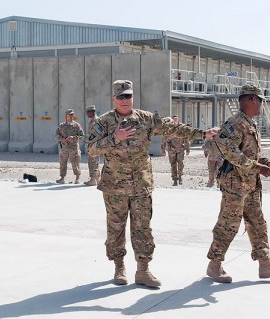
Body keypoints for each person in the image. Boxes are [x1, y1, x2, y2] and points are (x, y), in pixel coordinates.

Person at [87, 80, 217, 288]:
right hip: (115, 186)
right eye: (121, 97)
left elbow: (173, 128)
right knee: (116, 228)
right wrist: (115, 138)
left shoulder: (146, 119)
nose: (125, 100)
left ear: (133, 97)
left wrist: (202, 134)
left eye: (128, 96)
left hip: (141, 184)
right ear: (113, 99)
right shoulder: (103, 122)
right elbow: (91, 148)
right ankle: (119, 267)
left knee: (143, 228)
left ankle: (143, 270)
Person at [206, 84, 270, 283]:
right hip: (235, 184)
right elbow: (229, 151)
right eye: (261, 101)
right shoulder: (235, 123)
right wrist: (257, 167)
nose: (261, 105)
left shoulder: (249, 123)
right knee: (228, 224)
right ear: (253, 99)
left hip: (250, 183)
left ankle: (265, 264)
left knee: (258, 223)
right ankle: (214, 264)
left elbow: (247, 152)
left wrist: (264, 162)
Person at [54, 109, 84, 184]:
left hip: (74, 148)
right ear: (66, 116)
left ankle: (77, 178)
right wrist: (62, 139)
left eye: (72, 115)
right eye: (70, 115)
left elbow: (81, 135)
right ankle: (62, 178)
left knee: (75, 163)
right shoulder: (62, 126)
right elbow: (56, 135)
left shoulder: (76, 125)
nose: (71, 116)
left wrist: (74, 138)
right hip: (64, 148)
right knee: (63, 162)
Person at [161, 116, 190, 186]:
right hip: (172, 150)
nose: (175, 121)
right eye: (174, 120)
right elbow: (163, 140)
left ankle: (180, 177)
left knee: (180, 164)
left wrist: (187, 149)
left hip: (180, 149)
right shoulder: (168, 129)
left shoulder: (182, 128)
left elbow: (186, 139)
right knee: (173, 165)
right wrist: (163, 150)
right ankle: (175, 180)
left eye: (176, 120)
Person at [84, 105, 100, 186]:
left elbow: (97, 134)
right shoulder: (93, 121)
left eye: (87, 113)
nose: (86, 114)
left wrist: (87, 140)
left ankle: (93, 180)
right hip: (92, 145)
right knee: (93, 162)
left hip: (94, 145)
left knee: (93, 162)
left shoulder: (96, 121)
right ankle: (96, 179)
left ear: (91, 112)